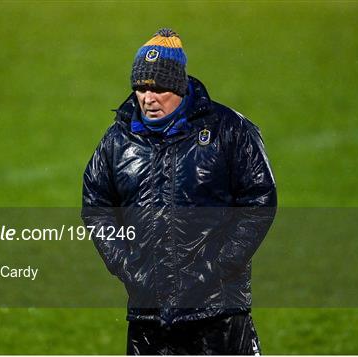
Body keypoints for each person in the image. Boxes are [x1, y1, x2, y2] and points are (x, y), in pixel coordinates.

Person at [82, 28, 277, 355]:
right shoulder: (116, 142)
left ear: (179, 86)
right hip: (149, 315)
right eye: (141, 87)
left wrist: (216, 267)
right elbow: (96, 205)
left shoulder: (228, 130)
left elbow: (259, 201)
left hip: (218, 312)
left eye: (158, 87)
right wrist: (126, 265)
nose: (148, 97)